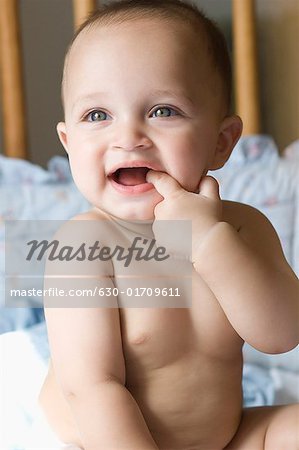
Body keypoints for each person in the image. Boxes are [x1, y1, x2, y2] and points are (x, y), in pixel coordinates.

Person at [38, 1, 299, 449]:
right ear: (68, 142)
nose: (128, 137)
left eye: (163, 111)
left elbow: (281, 335)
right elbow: (91, 388)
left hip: (226, 436)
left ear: (221, 143)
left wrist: (209, 242)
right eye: (97, 115)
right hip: (107, 438)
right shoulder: (85, 245)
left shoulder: (242, 228)